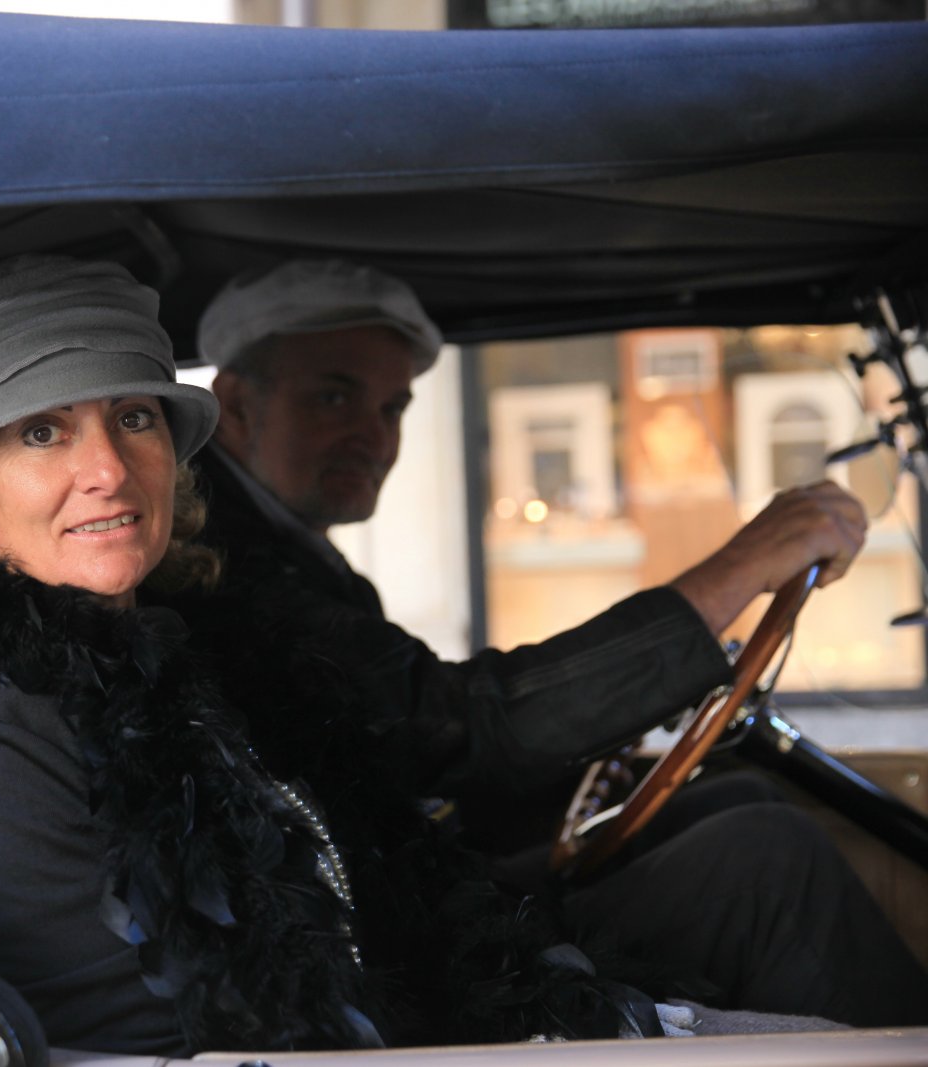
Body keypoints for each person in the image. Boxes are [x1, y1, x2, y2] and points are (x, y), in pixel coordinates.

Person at [0, 255, 925, 1057]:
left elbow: (343, 854)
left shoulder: (179, 646)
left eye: (132, 417)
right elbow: (172, 1038)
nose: (105, 466)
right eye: (42, 432)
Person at [191, 258, 928, 1021]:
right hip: (384, 966)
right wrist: (736, 571)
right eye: (334, 396)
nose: (375, 437)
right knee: (769, 860)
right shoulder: (223, 561)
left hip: (405, 900)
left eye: (394, 407)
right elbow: (455, 727)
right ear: (237, 404)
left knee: (738, 795)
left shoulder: (285, 549)